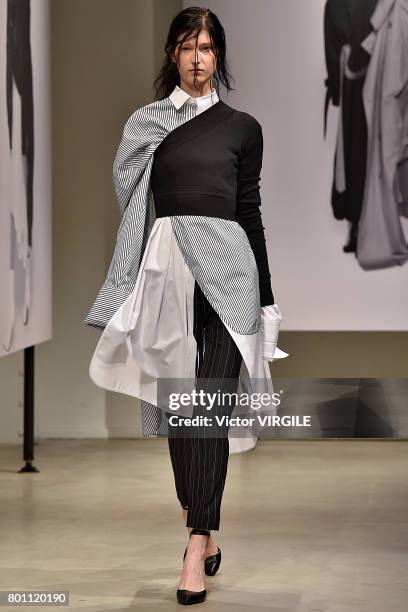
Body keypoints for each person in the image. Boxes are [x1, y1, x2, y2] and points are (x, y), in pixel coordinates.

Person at [84, 5, 287, 605]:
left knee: (209, 405)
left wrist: (268, 303)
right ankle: (200, 516)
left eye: (207, 47)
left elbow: (250, 214)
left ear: (219, 55)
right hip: (167, 272)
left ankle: (196, 545)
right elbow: (130, 200)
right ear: (173, 53)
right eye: (187, 47)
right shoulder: (146, 124)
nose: (198, 58)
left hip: (229, 276)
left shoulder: (242, 127)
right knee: (181, 410)